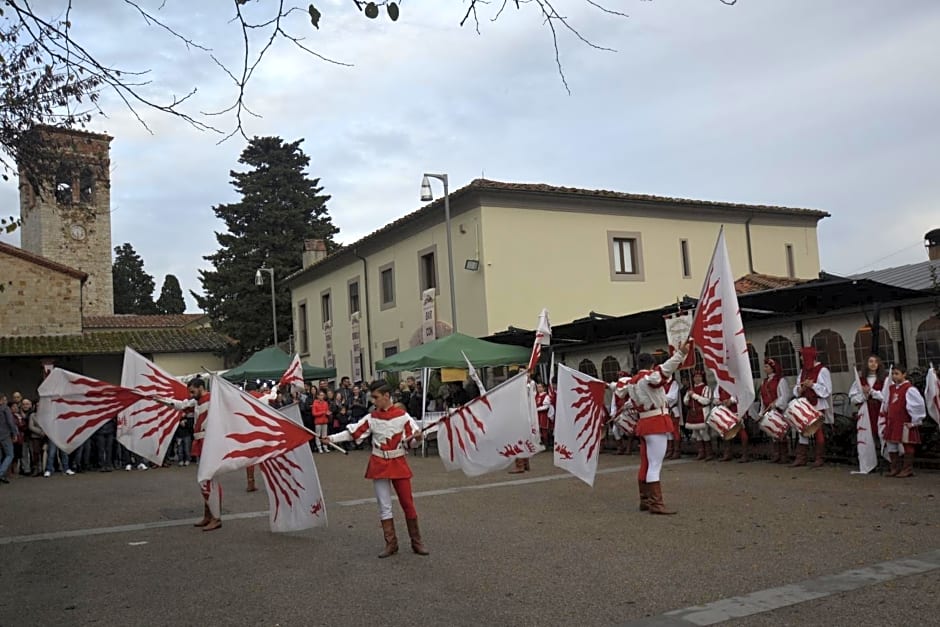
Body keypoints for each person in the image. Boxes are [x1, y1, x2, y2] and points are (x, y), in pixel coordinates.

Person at [321, 380, 429, 558]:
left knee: (408, 504)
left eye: (376, 397)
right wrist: (331, 439)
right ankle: (391, 543)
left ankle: (416, 542)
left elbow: (411, 441)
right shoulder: (372, 417)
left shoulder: (403, 416)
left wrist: (418, 438)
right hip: (379, 462)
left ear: (387, 396)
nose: (373, 401)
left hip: (398, 461)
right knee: (384, 506)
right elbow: (354, 432)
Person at [615, 339, 691, 515]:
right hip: (655, 422)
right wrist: (680, 354)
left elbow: (617, 389)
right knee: (655, 465)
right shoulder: (648, 378)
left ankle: (645, 500)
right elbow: (665, 370)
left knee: (646, 463)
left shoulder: (631, 381)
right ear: (652, 364)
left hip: (644, 422)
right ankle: (656, 503)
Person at [162, 377, 222, 531]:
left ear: (201, 387)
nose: (191, 394)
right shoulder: (196, 402)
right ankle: (209, 515)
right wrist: (160, 400)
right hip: (202, 442)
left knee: (207, 480)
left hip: (210, 443)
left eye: (193, 391)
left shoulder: (213, 400)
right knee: (205, 479)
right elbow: (180, 405)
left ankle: (216, 517)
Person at [790, 347, 832, 468]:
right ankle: (802, 457)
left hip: (817, 404)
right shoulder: (803, 371)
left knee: (817, 430)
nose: (801, 358)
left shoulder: (822, 370)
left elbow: (826, 391)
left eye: (802, 356)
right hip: (805, 404)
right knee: (802, 429)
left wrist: (813, 385)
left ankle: (819, 458)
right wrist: (801, 389)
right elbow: (796, 388)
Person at [882, 364, 926, 478]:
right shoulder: (891, 388)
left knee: (907, 443)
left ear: (904, 374)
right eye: (893, 374)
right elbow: (886, 402)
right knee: (891, 443)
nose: (894, 376)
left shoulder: (909, 389)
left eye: (897, 374)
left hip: (904, 421)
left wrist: (916, 420)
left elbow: (917, 405)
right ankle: (895, 468)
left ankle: (907, 469)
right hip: (893, 421)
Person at [849, 354, 887, 456]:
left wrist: (872, 392)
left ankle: (885, 457)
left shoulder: (884, 380)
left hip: (879, 410)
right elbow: (853, 399)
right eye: (871, 361)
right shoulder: (860, 381)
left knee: (882, 433)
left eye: (876, 361)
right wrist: (864, 396)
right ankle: (871, 459)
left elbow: (886, 397)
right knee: (868, 435)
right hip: (866, 410)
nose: (873, 364)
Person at [759, 358, 791, 463]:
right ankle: (776, 454)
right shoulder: (764, 381)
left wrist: (776, 404)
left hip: (779, 410)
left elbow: (785, 395)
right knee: (772, 433)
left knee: (781, 432)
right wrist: (762, 411)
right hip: (769, 411)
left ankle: (784, 455)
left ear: (773, 368)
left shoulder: (780, 380)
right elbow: (762, 398)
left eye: (767, 367)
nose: (765, 369)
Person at [683, 371, 713, 461]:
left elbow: (706, 401)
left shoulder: (706, 388)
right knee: (696, 433)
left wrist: (694, 396)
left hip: (703, 412)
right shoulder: (691, 388)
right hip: (693, 412)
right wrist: (688, 396)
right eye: (695, 377)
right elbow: (685, 402)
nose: (697, 378)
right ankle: (701, 452)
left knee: (703, 432)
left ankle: (709, 453)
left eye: (699, 376)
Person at [714, 387, 749, 462]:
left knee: (741, 430)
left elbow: (740, 395)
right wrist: (720, 402)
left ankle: (745, 454)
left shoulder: (735, 382)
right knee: (725, 431)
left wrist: (731, 400)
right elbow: (716, 397)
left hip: (736, 410)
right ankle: (728, 453)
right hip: (725, 411)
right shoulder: (719, 384)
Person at [0, 393, 19, 483]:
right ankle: (1, 473)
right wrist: (14, 433)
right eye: (5, 399)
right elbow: (10, 422)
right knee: (10, 454)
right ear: (2, 400)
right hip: (5, 434)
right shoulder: (5, 408)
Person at [664, 373, 682, 460]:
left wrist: (660, 397)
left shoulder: (673, 383)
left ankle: (676, 451)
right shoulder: (662, 383)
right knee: (667, 431)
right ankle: (670, 450)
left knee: (675, 431)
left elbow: (672, 397)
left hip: (673, 410)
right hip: (665, 410)